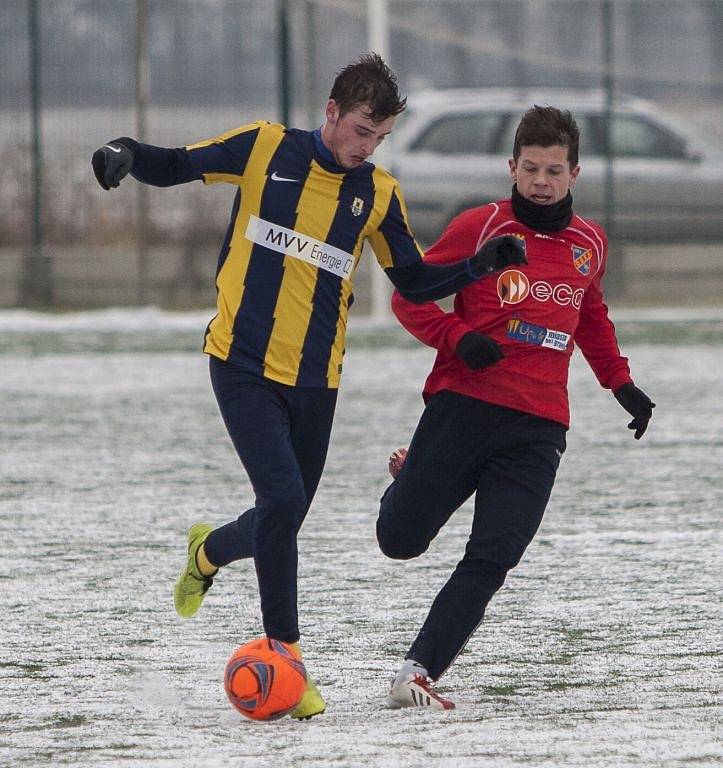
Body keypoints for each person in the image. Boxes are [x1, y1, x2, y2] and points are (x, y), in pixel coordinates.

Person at [91, 53, 525, 720]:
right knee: (284, 498)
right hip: (240, 364)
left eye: (378, 138)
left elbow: (409, 279)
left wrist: (474, 266)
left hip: (316, 381)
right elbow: (176, 163)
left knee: (282, 514)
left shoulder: (377, 193)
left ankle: (207, 552)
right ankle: (287, 661)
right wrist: (124, 150)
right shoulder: (265, 146)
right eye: (358, 130)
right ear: (331, 112)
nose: (365, 147)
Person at [377, 105, 656, 710]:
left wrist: (620, 384)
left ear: (574, 174)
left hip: (539, 426)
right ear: (511, 166)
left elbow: (590, 316)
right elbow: (412, 295)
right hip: (464, 406)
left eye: (554, 170)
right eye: (530, 168)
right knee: (399, 540)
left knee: (496, 553)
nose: (541, 181)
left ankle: (418, 671)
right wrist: (457, 338)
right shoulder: (481, 228)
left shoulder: (589, 244)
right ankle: (410, 475)